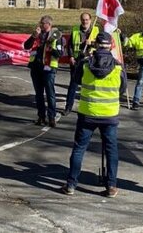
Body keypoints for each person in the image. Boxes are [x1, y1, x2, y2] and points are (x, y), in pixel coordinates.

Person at [60, 31, 122, 197]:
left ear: (96, 45)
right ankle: (111, 186)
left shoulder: (85, 63)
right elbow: (122, 89)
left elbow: (77, 80)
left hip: (87, 113)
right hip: (109, 115)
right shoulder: (117, 66)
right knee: (111, 150)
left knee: (79, 148)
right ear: (110, 46)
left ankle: (71, 184)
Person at [24, 15, 64, 126]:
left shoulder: (56, 36)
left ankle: (52, 117)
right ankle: (41, 116)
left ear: (49, 24)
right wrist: (33, 36)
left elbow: (60, 54)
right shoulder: (37, 35)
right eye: (40, 23)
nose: (40, 25)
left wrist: (51, 49)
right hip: (36, 68)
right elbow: (26, 46)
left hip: (49, 68)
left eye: (42, 23)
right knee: (39, 94)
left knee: (50, 93)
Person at [64, 12, 99, 115]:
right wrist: (70, 56)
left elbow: (100, 45)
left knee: (89, 86)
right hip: (76, 61)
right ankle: (68, 107)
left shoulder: (95, 30)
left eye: (87, 20)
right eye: (83, 20)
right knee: (73, 85)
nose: (85, 22)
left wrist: (91, 43)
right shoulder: (75, 29)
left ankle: (88, 108)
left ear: (90, 20)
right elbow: (69, 45)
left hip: (90, 61)